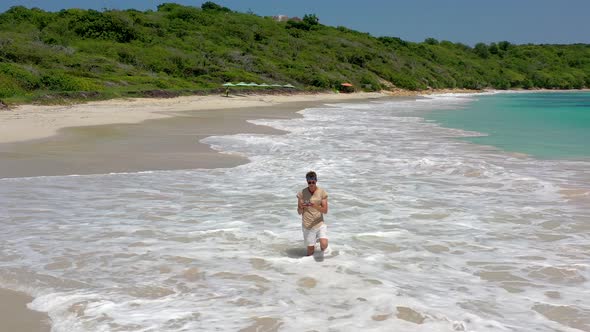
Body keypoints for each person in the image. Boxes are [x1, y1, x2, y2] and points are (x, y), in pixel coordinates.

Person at [296, 171, 329, 256]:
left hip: (319, 223)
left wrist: (315, 206)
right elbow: (299, 212)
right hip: (307, 224)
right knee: (310, 252)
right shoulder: (301, 193)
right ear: (307, 181)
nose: (311, 184)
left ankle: (325, 259)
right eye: (309, 182)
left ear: (316, 181)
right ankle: (310, 266)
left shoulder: (322, 193)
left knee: (324, 245)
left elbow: (325, 211)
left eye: (313, 182)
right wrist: (301, 207)